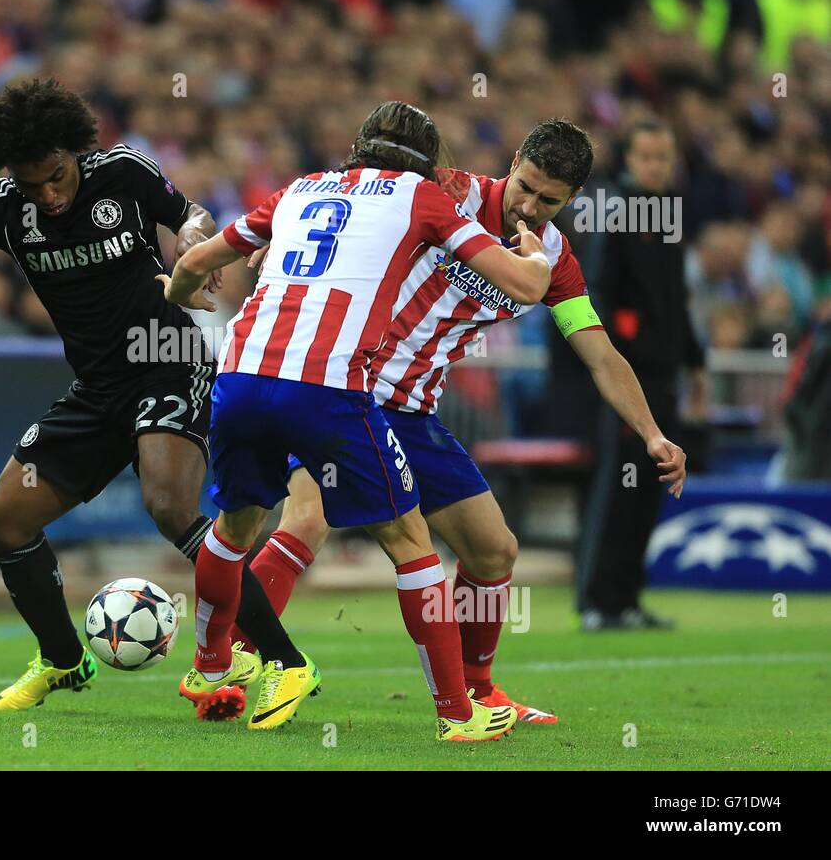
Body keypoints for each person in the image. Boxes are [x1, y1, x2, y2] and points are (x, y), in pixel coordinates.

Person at [0, 78, 307, 720]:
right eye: (31, 182)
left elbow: (192, 215)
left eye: (56, 175)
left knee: (168, 504)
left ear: (74, 151)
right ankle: (64, 661)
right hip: (98, 391)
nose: (48, 192)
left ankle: (288, 664)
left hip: (167, 362)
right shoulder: (3, 208)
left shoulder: (122, 172)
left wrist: (192, 242)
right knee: (4, 520)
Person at [197, 120, 689, 723]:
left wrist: (653, 433)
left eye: (549, 200)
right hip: (348, 387)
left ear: (573, 200)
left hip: (416, 409)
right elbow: (349, 215)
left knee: (492, 552)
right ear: (514, 163)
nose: (529, 207)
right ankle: (248, 667)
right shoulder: (445, 191)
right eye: (525, 188)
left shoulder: (555, 260)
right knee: (306, 519)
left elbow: (601, 354)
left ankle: (479, 692)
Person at [160, 101, 554, 740]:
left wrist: (178, 295)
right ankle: (461, 714)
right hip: (328, 386)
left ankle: (211, 666)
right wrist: (536, 262)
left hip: (239, 374)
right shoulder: (423, 200)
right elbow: (525, 285)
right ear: (426, 167)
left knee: (233, 529)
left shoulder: (299, 189)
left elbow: (197, 263)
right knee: (408, 541)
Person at [577, 119, 704, 629]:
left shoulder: (669, 214)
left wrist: (695, 361)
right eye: (647, 157)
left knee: (648, 488)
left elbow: (677, 302)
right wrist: (618, 353)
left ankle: (625, 598)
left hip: (663, 372)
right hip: (629, 376)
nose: (656, 166)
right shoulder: (619, 212)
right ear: (629, 161)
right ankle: (595, 600)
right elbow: (600, 292)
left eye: (664, 157)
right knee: (617, 488)